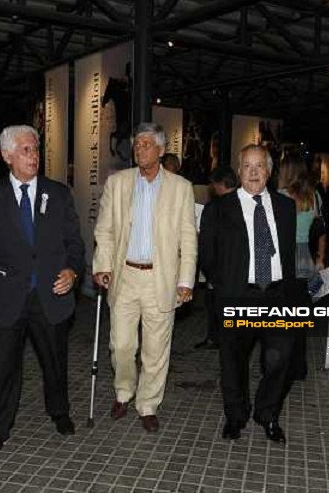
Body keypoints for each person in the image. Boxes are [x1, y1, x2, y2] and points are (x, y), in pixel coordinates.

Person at [0, 125, 85, 465]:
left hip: (50, 296)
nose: (34, 156)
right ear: (7, 156)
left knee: (54, 361)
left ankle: (59, 411)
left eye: (36, 149)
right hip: (6, 297)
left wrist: (73, 272)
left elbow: (75, 244)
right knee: (2, 369)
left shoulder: (58, 194)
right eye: (26, 150)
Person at [93, 122, 197, 433]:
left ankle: (148, 404)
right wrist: (102, 265)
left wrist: (186, 281)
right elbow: (105, 229)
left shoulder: (181, 187)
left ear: (162, 150)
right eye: (137, 144)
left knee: (156, 350)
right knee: (121, 345)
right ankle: (124, 391)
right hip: (125, 276)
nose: (140, 149)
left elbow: (188, 238)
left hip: (161, 279)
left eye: (147, 144)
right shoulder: (119, 183)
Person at [199, 144, 297, 443]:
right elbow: (207, 255)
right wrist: (227, 285)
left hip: (277, 296)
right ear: (239, 171)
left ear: (269, 171)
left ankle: (267, 415)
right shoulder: (218, 209)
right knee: (233, 361)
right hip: (238, 295)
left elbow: (288, 253)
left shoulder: (285, 207)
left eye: (259, 166)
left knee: (281, 360)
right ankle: (236, 416)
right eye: (247, 166)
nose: (253, 172)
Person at [277, 152, 326, 380]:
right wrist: (320, 258)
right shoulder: (314, 196)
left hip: (284, 258)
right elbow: (321, 230)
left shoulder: (280, 196)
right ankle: (299, 367)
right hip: (305, 256)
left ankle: (283, 365)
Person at [194, 165, 238, 350]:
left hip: (217, 267)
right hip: (239, 268)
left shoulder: (213, 208)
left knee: (214, 305)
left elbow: (206, 241)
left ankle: (215, 337)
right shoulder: (247, 204)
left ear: (219, 185)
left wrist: (208, 269)